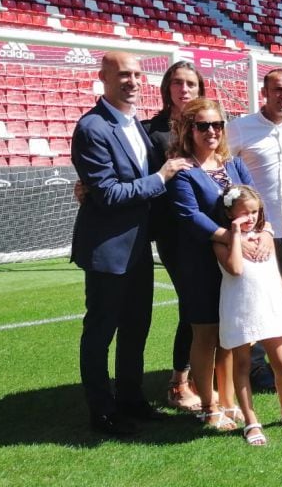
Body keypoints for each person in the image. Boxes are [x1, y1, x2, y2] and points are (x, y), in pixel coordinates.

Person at [70, 51, 189, 435]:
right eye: (123, 74)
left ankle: (131, 399)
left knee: (136, 327)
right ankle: (101, 412)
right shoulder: (92, 128)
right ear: (103, 77)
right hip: (108, 250)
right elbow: (107, 194)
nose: (132, 81)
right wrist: (161, 176)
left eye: (137, 74)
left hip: (138, 247)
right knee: (101, 332)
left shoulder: (134, 124)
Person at [169, 97, 265, 429]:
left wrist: (261, 234)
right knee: (205, 333)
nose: (211, 131)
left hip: (232, 265)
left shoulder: (234, 165)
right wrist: (230, 236)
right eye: (203, 125)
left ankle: (227, 401)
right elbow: (189, 216)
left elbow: (254, 204)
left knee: (229, 334)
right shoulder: (183, 169)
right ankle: (210, 406)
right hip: (199, 263)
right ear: (189, 129)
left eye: (217, 125)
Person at [227, 68, 282, 377]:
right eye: (278, 89)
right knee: (257, 299)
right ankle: (255, 364)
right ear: (265, 92)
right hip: (256, 234)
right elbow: (219, 162)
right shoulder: (239, 128)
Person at [214, 185, 282, 446]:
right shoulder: (222, 242)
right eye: (244, 213)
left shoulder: (264, 234)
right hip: (241, 308)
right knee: (243, 365)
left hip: (269, 308)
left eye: (255, 212)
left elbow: (274, 275)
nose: (251, 218)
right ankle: (251, 420)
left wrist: (280, 305)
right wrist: (235, 234)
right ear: (229, 213)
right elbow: (235, 268)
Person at [148, 61, 205, 411]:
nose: (184, 90)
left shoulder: (208, 125)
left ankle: (200, 375)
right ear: (167, 89)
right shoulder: (152, 132)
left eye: (191, 84)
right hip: (173, 231)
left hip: (206, 228)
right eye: (177, 83)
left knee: (207, 305)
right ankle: (179, 382)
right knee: (191, 303)